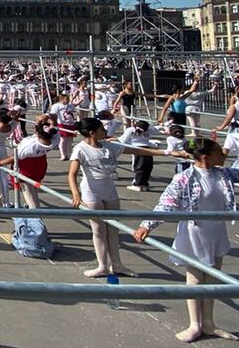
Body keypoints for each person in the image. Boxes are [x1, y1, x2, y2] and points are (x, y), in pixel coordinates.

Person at [132, 138, 239, 343]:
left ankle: (208, 323)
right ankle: (194, 324)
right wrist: (147, 225)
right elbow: (166, 204)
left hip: (216, 231)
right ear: (206, 157)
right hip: (194, 232)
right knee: (195, 279)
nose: (223, 155)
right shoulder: (184, 178)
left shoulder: (223, 173)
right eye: (218, 152)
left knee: (213, 278)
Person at [68, 117, 180, 278]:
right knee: (99, 230)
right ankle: (102, 266)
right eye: (102, 129)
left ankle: (117, 265)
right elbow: (71, 174)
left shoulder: (109, 146)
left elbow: (139, 150)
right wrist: (76, 194)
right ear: (92, 133)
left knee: (113, 230)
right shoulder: (80, 149)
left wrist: (169, 152)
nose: (106, 132)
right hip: (91, 192)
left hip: (109, 190)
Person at [0, 118, 59, 209]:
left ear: (38, 133)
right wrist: (47, 117)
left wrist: (0, 163)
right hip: (40, 165)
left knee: (29, 196)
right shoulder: (54, 139)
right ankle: (34, 208)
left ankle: (35, 215)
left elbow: (15, 158)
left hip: (26, 168)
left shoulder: (31, 146)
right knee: (34, 190)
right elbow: (55, 127)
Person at [120, 120, 163, 192]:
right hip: (147, 149)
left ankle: (138, 184)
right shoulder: (148, 130)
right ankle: (144, 184)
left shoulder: (130, 130)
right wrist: (163, 126)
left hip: (137, 149)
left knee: (139, 167)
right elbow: (156, 129)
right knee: (147, 167)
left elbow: (123, 140)